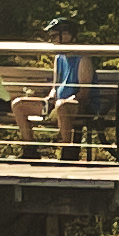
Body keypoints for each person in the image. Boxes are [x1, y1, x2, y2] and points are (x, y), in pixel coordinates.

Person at [44, 17, 86, 158]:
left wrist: (63, 102)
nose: (53, 40)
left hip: (79, 105)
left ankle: (67, 151)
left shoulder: (83, 59)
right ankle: (29, 150)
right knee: (19, 105)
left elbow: (84, 92)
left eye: (55, 36)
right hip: (59, 102)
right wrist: (50, 98)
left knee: (62, 107)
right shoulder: (59, 57)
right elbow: (55, 86)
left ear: (68, 35)